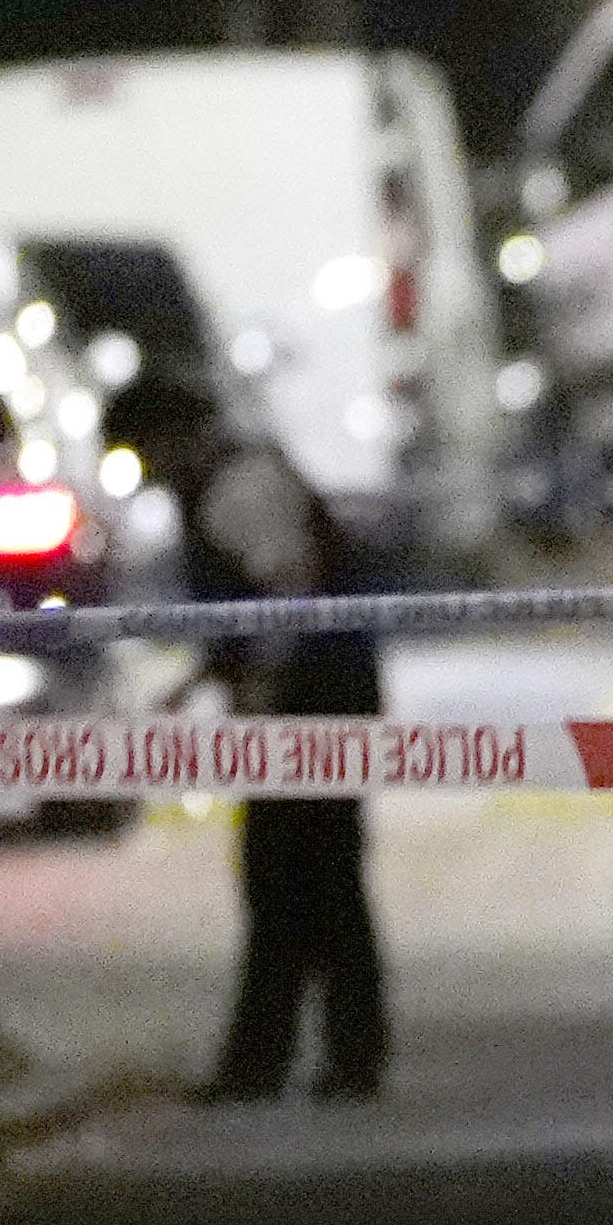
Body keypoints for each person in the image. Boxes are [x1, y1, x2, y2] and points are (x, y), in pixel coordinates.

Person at [109, 370, 390, 1102]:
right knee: (313, 879)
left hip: (312, 702)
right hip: (320, 692)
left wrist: (263, 696)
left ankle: (270, 1063)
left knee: (293, 879)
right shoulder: (238, 475)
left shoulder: (236, 488)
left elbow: (287, 592)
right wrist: (198, 681)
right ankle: (329, 1057)